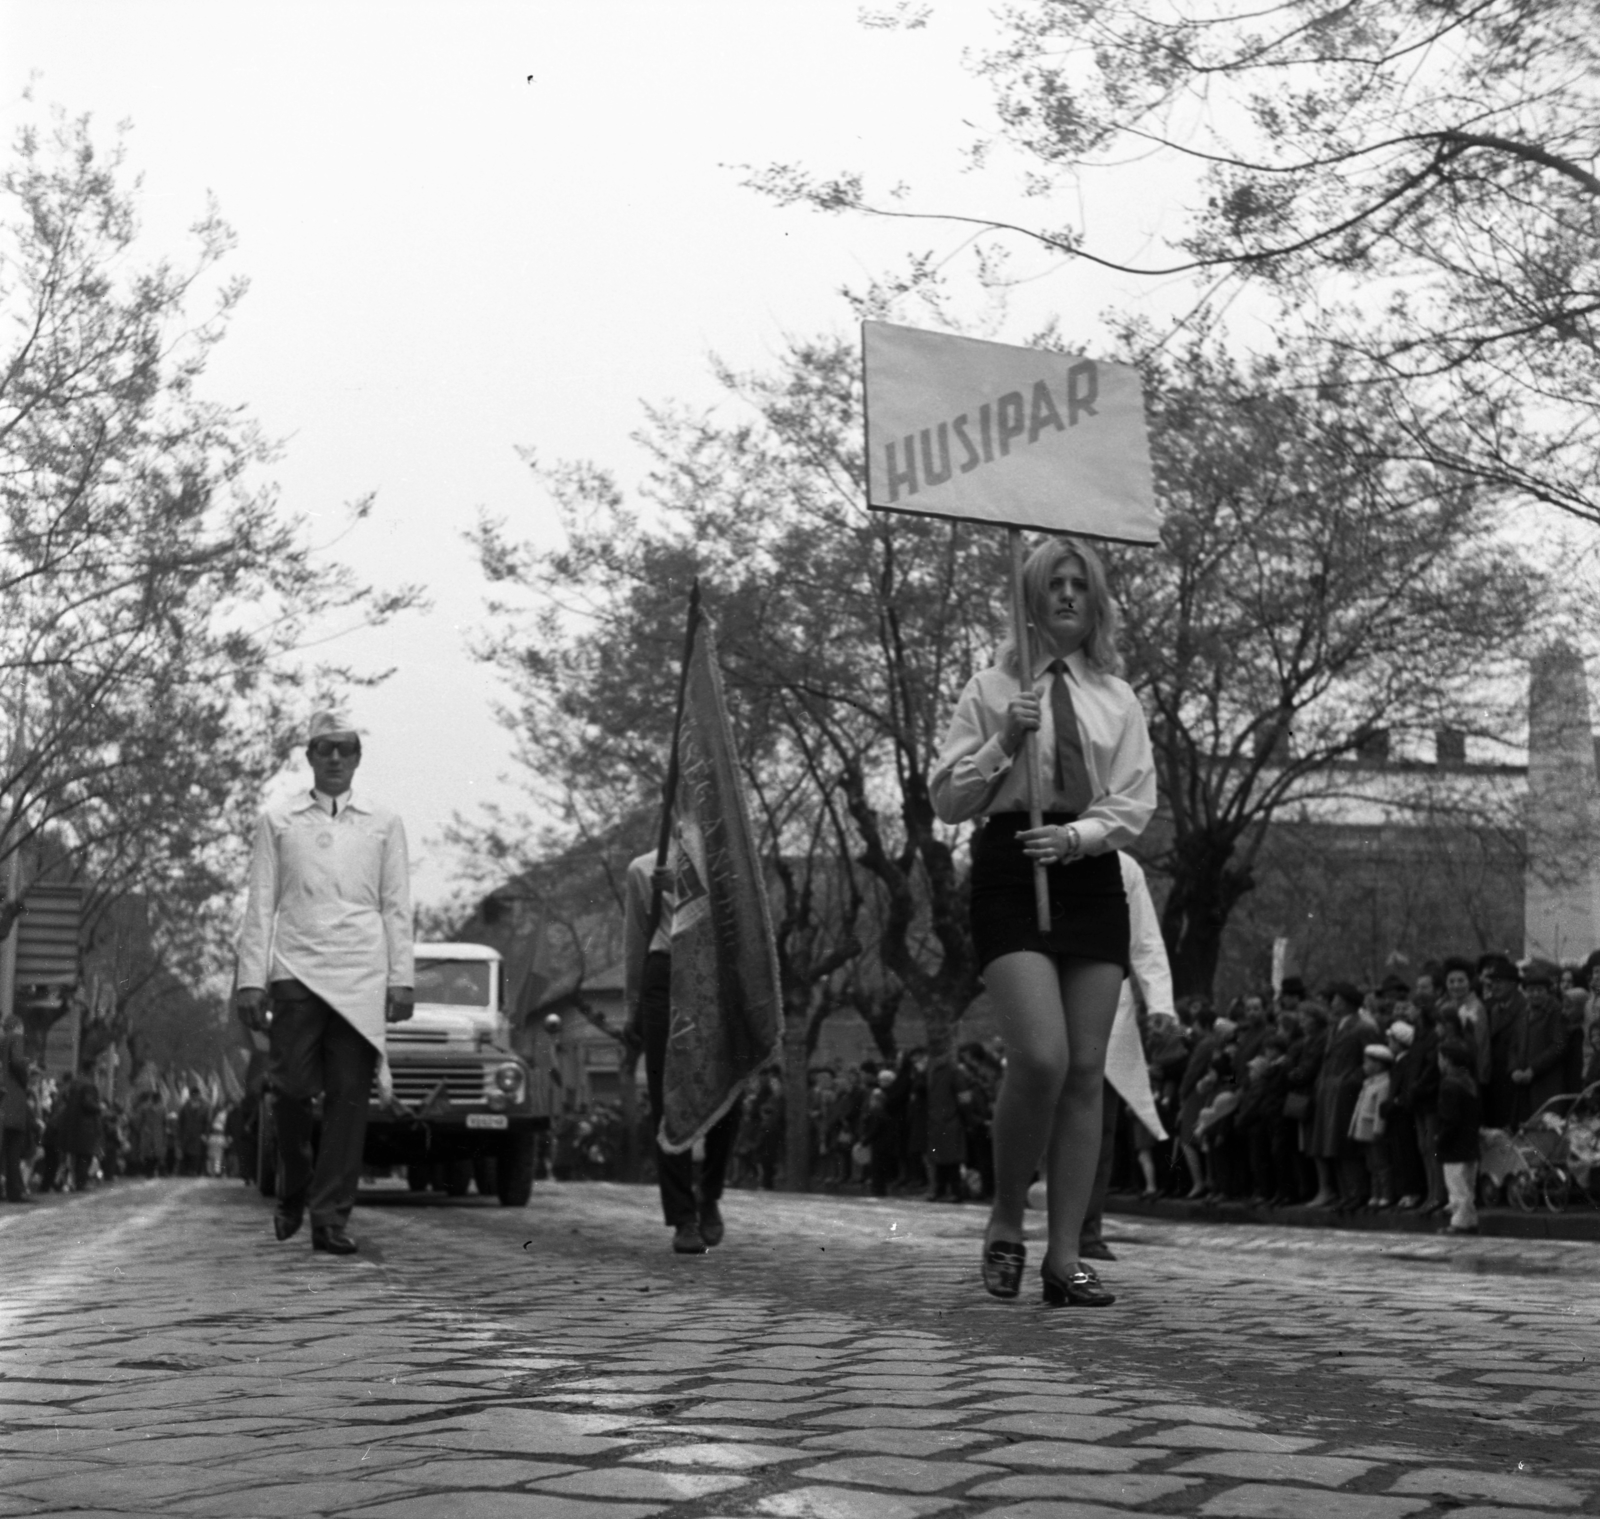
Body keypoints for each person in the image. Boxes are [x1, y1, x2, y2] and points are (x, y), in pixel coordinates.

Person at [931, 536, 1155, 1307]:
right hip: (1009, 865)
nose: (1066, 595)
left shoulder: (1117, 697)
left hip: (1085, 869)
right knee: (1041, 1056)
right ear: (1029, 599)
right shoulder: (990, 688)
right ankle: (1003, 1220)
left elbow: (1133, 800)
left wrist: (1076, 837)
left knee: (1087, 1069)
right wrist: (1004, 739)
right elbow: (948, 798)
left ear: (1096, 601)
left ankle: (1067, 1260)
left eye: (1079, 584)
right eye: (1052, 584)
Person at [234, 710, 414, 1256]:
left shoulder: (384, 822)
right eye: (324, 749)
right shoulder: (279, 819)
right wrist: (249, 979)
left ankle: (330, 1216)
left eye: (345, 748)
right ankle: (294, 1183)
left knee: (349, 1100)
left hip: (361, 972)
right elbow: (261, 900)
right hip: (296, 968)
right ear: (309, 757)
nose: (335, 758)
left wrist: (400, 978)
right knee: (289, 1090)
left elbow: (396, 904)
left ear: (358, 757)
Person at [623, 845, 743, 1254]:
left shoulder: (726, 861)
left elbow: (740, 922)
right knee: (666, 1095)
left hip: (716, 973)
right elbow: (636, 940)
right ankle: (682, 1216)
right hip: (664, 973)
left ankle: (709, 1194)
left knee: (729, 1087)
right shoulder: (642, 869)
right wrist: (632, 1006)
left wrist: (689, 888)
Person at [1436, 1038, 1482, 1235]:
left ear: (1447, 1060)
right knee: (1467, 1185)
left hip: (1455, 1145)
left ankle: (1460, 1223)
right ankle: (1470, 1220)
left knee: (1457, 1187)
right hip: (1470, 1142)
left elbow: (1450, 1119)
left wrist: (1441, 1139)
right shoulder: (1468, 1081)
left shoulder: (1449, 1085)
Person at [2, 1010, 33, 1203]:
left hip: (3, 1100)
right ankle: (15, 1190)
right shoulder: (16, 1039)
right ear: (18, 1027)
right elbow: (17, 1062)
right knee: (14, 1149)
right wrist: (26, 1077)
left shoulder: (1, 1040)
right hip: (14, 1101)